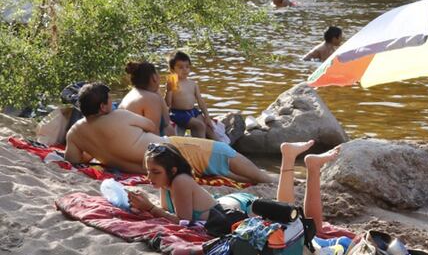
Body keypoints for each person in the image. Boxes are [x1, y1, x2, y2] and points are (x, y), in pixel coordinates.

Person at [64, 83, 273, 183]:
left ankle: (261, 177)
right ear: (102, 107)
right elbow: (150, 126)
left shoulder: (75, 132)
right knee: (222, 151)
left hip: (151, 168)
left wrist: (99, 150)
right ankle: (268, 180)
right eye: (109, 100)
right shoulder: (117, 116)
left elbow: (74, 160)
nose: (112, 103)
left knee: (216, 167)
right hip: (169, 151)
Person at [128, 139, 335, 230]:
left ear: (172, 170)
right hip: (226, 204)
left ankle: (291, 160)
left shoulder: (181, 181)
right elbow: (169, 212)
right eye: (148, 171)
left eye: (155, 172)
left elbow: (184, 222)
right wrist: (148, 205)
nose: (149, 177)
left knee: (297, 222)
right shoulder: (168, 183)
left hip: (237, 208)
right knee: (302, 226)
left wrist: (150, 208)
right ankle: (299, 162)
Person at [165, 51, 215, 139]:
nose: (185, 69)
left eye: (187, 67)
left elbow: (201, 101)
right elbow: (168, 103)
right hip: (178, 113)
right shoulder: (173, 83)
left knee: (207, 126)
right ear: (172, 70)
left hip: (193, 111)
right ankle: (201, 147)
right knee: (199, 125)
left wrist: (207, 116)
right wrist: (168, 90)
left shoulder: (192, 83)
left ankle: (221, 145)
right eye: (180, 67)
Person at [119, 61, 174, 136]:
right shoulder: (150, 98)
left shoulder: (135, 92)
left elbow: (166, 121)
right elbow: (154, 133)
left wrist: (158, 92)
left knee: (169, 128)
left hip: (125, 138)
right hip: (135, 142)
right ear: (154, 77)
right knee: (169, 130)